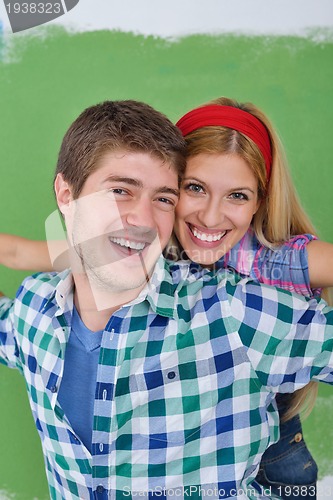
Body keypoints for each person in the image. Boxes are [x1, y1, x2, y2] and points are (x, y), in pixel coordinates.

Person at [1, 99, 333, 500]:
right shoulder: (35, 309)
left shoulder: (245, 296)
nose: (210, 218)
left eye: (161, 197)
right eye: (121, 190)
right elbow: (37, 263)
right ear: (67, 195)